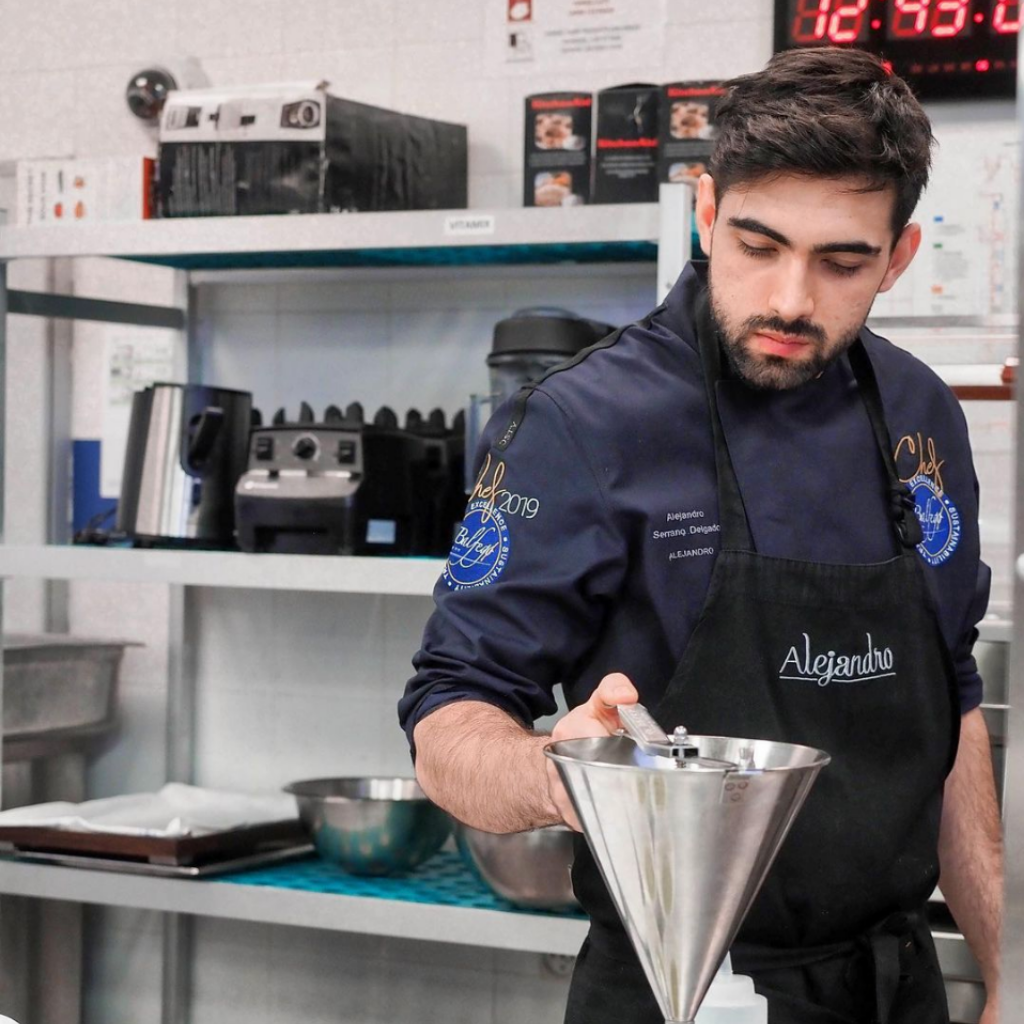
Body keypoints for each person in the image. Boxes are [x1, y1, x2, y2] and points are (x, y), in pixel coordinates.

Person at [398, 47, 1003, 1024]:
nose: (790, 301)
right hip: (684, 991)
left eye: (841, 260)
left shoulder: (920, 414)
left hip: (894, 990)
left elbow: (955, 707)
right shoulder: (583, 424)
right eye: (759, 245)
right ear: (707, 210)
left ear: (898, 255)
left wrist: (1003, 970)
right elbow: (447, 720)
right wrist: (562, 773)